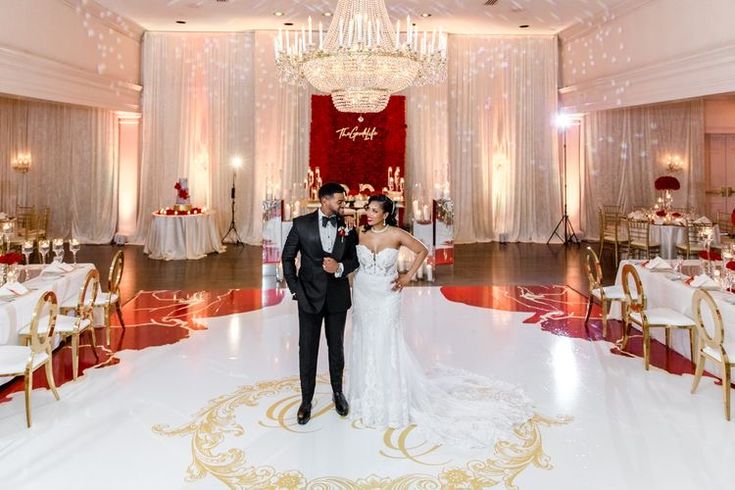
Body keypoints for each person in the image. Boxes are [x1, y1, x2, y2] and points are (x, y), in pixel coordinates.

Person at [347, 194, 534, 449]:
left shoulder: (397, 234)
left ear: (386, 214)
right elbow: (348, 258)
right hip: (364, 293)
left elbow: (422, 250)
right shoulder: (359, 233)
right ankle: (364, 397)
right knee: (365, 339)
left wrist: (406, 277)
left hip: (387, 295)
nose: (369, 213)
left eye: (374, 210)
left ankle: (392, 401)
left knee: (387, 341)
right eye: (368, 209)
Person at [282, 183, 359, 425]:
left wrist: (340, 268)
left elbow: (354, 259)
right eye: (340, 201)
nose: (343, 205)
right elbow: (287, 257)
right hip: (308, 298)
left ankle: (338, 393)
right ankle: (306, 400)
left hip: (337, 297)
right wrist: (296, 289)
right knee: (307, 349)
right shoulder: (300, 224)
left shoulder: (347, 226)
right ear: (325, 201)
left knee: (336, 348)